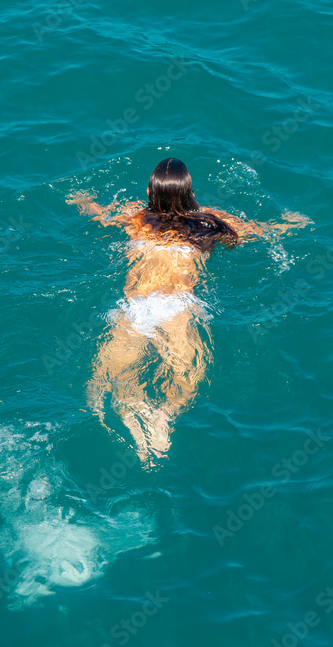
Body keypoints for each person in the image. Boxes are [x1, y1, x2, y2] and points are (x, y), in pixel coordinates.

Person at [68, 157, 311, 463]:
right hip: (177, 307)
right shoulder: (210, 223)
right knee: (187, 378)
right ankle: (163, 415)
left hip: (135, 306)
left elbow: (100, 215)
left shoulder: (136, 218)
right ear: (189, 191)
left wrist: (81, 199)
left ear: (149, 190)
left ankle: (133, 414)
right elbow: (259, 231)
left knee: (102, 381)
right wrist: (292, 222)